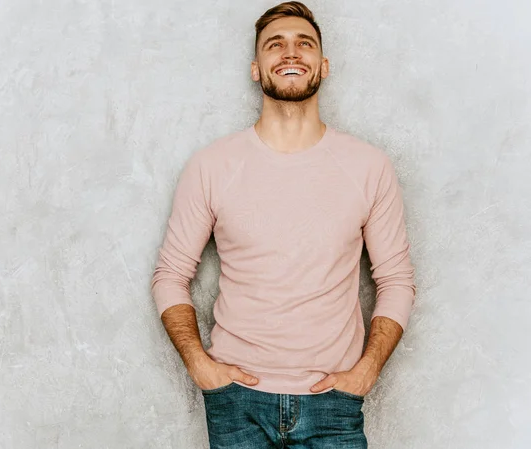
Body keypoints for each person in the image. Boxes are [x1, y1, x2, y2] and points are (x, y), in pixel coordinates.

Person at [150, 1, 417, 447]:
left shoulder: (369, 166)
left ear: (324, 65)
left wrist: (367, 370)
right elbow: (170, 276)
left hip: (335, 401)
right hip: (235, 401)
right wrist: (201, 365)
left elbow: (397, 280)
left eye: (304, 44)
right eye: (275, 45)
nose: (290, 53)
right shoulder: (212, 165)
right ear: (257, 68)